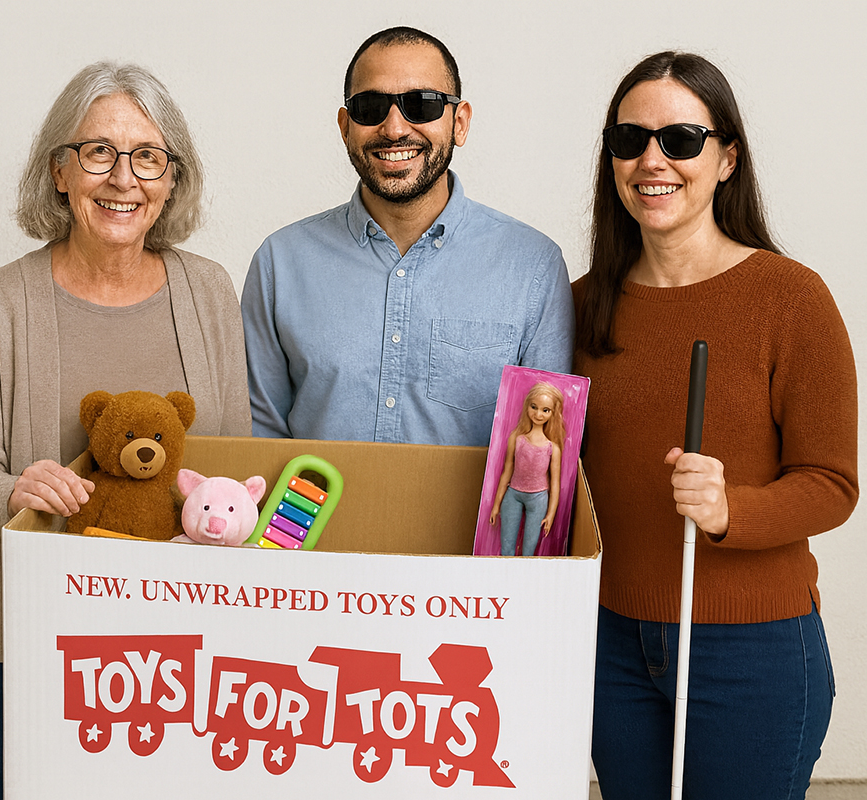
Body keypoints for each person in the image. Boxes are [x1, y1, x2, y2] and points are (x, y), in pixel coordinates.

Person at [0, 61, 250, 798]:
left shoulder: (208, 291)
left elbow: (235, 463)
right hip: (34, 635)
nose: (123, 178)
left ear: (172, 180)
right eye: (99, 152)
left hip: (188, 638)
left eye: (147, 156)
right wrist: (19, 489)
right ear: (59, 171)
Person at [574, 51, 857, 799]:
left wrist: (735, 508)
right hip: (610, 645)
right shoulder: (578, 306)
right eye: (629, 140)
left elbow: (833, 483)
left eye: (681, 140)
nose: (651, 160)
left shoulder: (791, 298)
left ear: (727, 158)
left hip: (752, 651)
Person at [241, 26, 573, 447]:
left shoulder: (533, 267)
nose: (395, 128)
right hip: (319, 516)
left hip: (469, 519)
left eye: (422, 105)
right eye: (370, 107)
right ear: (345, 126)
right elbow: (259, 440)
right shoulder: (279, 264)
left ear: (460, 122)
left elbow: (545, 457)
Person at [488, 382, 563, 556]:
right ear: (527, 406)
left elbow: (556, 483)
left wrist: (551, 513)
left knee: (529, 549)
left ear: (553, 413)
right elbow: (507, 471)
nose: (538, 414)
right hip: (513, 494)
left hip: (538, 498)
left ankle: (524, 580)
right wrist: (496, 505)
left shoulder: (552, 448)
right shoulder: (517, 438)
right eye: (534, 407)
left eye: (546, 410)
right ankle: (506, 578)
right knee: (506, 547)